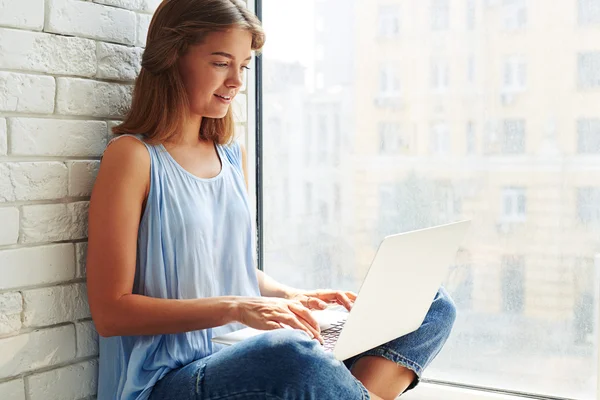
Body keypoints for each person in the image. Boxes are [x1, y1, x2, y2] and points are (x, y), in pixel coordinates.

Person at [86, 0, 457, 399]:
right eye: (220, 62)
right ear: (172, 56)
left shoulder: (230, 154)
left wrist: (290, 296)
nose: (236, 82)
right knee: (288, 353)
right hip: (166, 379)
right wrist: (239, 308)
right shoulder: (133, 157)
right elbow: (111, 312)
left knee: (431, 304)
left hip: (238, 350)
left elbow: (225, 266)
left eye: (242, 66)